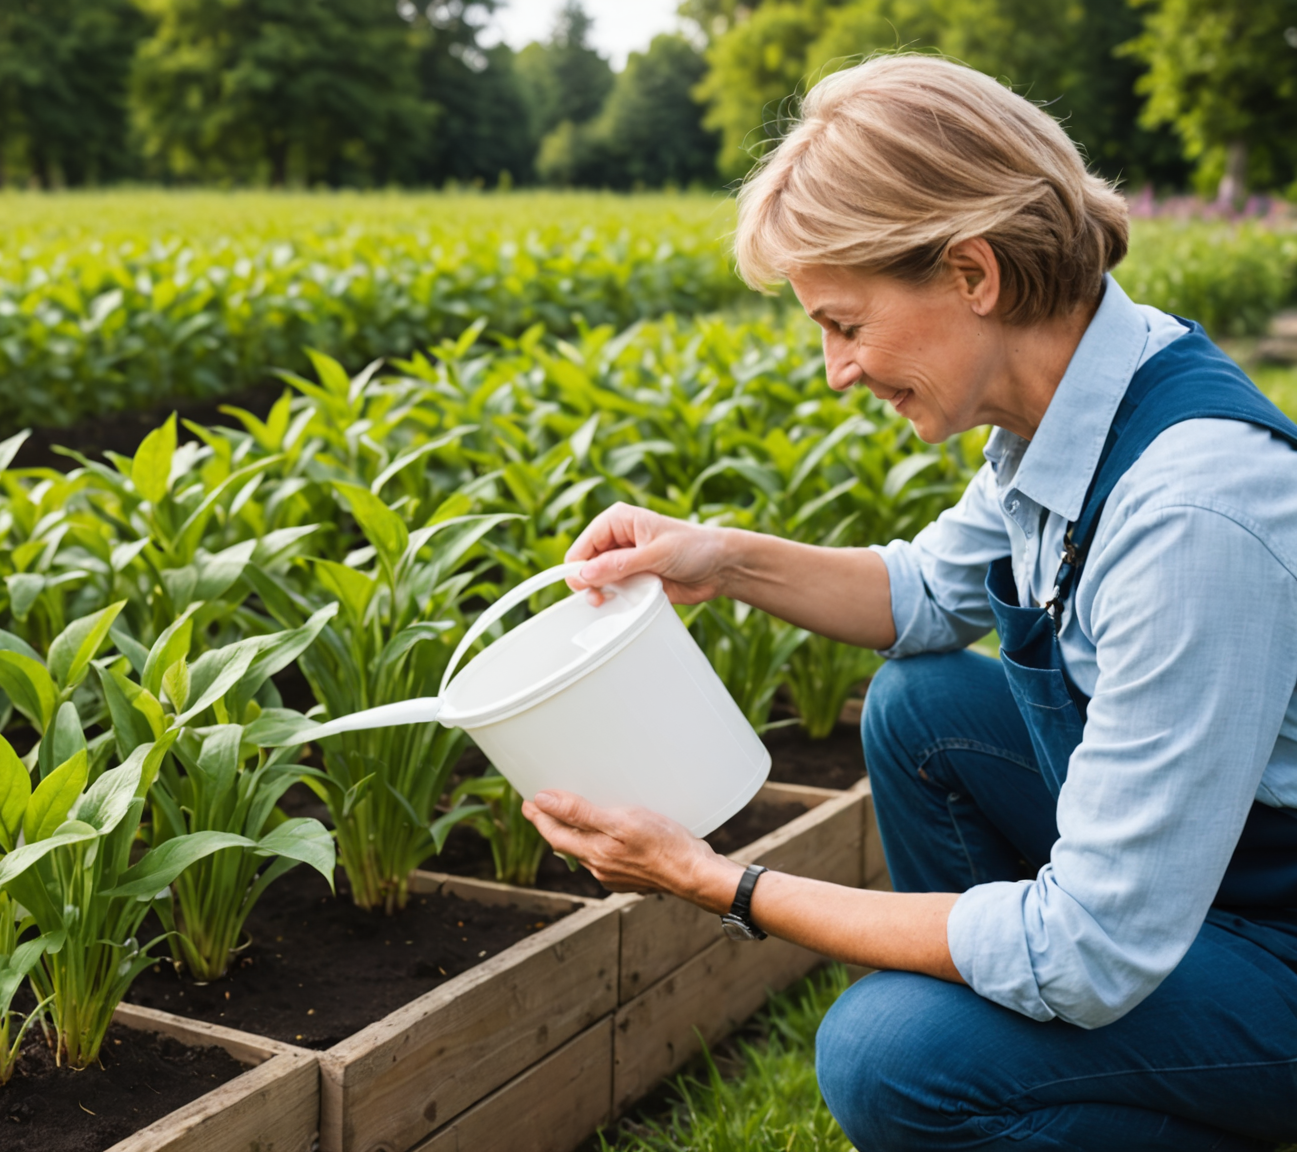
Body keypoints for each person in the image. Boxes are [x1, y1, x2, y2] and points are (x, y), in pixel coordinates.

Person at [523, 54, 1297, 1152]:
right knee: (920, 706)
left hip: (1276, 943)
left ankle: (1033, 1087)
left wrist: (720, 883)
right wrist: (721, 558)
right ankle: (1032, 1081)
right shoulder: (1075, 396)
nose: (837, 370)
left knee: (889, 1055)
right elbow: (927, 595)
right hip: (1204, 881)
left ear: (972, 273)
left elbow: (1088, 950)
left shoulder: (1193, 513)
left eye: (846, 323)